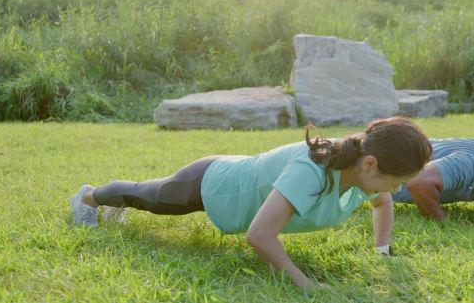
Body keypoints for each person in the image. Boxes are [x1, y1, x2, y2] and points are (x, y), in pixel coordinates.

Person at [69, 116, 432, 289]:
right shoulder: (315, 170)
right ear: (370, 164)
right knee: (148, 196)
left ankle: (114, 201)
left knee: (143, 197)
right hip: (212, 183)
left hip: (239, 175)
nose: (396, 191)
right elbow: (260, 235)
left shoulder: (362, 166)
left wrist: (382, 251)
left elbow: (382, 205)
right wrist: (303, 283)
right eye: (397, 181)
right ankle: (89, 197)